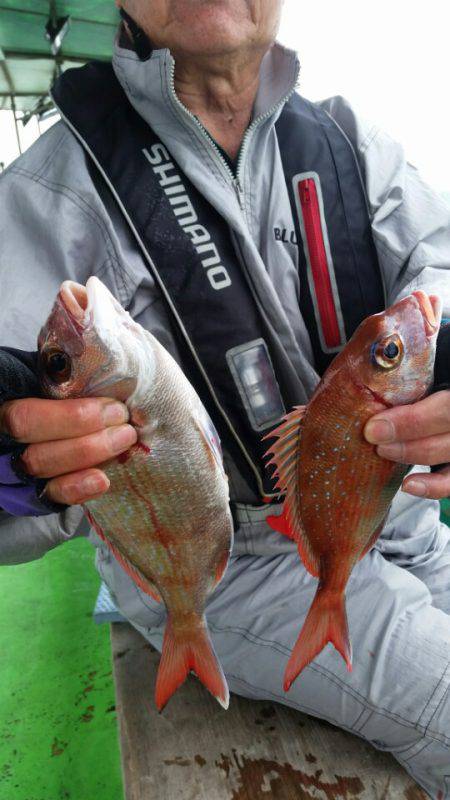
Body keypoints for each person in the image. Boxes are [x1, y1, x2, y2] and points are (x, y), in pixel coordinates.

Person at [0, 2, 449, 794]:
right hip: (223, 563)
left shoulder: (354, 142)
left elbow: (435, 271)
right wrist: (11, 469)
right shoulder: (48, 194)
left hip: (400, 515)